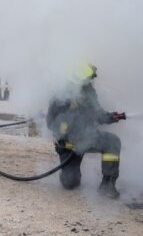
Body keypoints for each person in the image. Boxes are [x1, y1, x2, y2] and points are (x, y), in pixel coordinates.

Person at [46, 65, 125, 199]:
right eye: (88, 79)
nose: (91, 82)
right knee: (71, 183)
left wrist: (112, 117)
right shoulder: (60, 96)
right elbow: (50, 123)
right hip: (68, 145)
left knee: (113, 141)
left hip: (88, 137)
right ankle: (69, 176)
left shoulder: (89, 92)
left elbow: (98, 115)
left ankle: (107, 185)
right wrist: (62, 136)